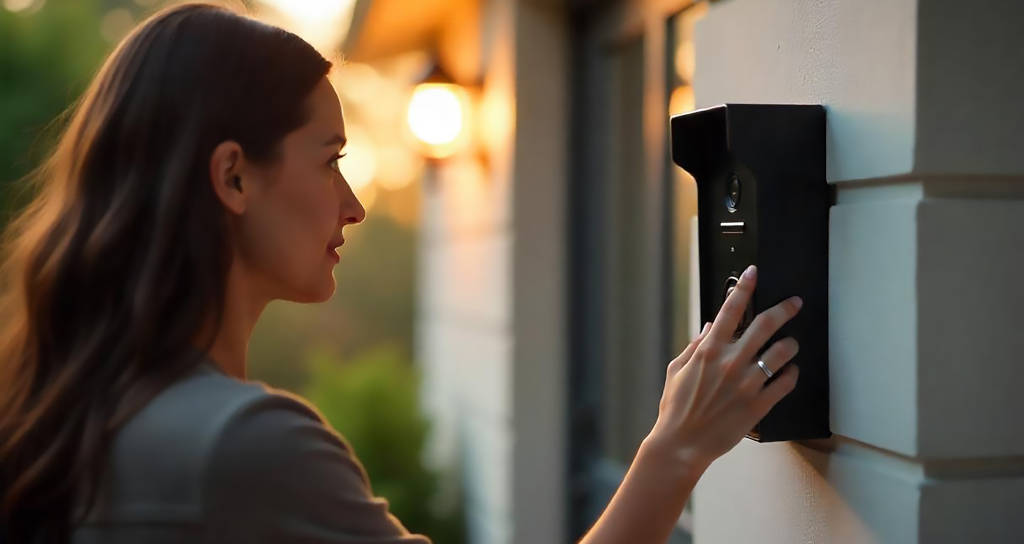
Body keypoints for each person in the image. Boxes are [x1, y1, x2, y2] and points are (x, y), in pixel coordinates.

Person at [0, 3, 801, 543]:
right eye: (330, 160)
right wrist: (676, 451)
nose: (352, 206)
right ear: (234, 177)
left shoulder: (68, 411)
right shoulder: (241, 447)